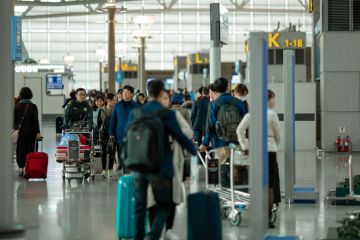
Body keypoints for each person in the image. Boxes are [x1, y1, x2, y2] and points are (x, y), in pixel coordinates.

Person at [129, 80, 197, 240]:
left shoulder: (136, 112)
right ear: (161, 94)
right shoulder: (167, 113)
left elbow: (128, 135)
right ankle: (152, 236)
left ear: (148, 93)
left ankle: (139, 237)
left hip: (138, 165)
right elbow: (180, 135)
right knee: (164, 204)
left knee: (140, 206)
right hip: (161, 166)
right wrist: (193, 150)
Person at [236, 89, 281, 229]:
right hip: (270, 151)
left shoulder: (250, 115)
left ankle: (255, 215)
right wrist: (275, 144)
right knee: (270, 185)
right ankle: (267, 219)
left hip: (255, 151)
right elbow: (278, 134)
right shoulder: (272, 114)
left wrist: (245, 145)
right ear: (266, 100)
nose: (274, 101)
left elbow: (239, 130)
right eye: (272, 98)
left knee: (256, 182)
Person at [199, 77, 247, 163]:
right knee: (237, 171)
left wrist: (204, 144)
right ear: (228, 87)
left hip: (219, 143)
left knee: (222, 170)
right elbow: (246, 123)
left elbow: (210, 126)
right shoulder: (238, 103)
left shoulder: (213, 105)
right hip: (237, 143)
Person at [14, 87, 42, 177]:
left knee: (20, 150)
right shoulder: (33, 106)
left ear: (21, 95)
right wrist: (38, 132)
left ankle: (21, 168)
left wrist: (15, 130)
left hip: (20, 133)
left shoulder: (16, 106)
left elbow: (14, 121)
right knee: (30, 150)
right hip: (31, 133)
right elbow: (35, 121)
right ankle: (28, 168)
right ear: (30, 95)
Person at [109, 85, 138, 172]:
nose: (124, 94)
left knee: (130, 156)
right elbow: (113, 120)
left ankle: (128, 174)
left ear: (132, 94)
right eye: (123, 92)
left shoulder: (136, 106)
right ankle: (125, 172)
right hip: (120, 135)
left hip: (132, 135)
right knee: (121, 156)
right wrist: (111, 133)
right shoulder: (117, 105)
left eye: (127, 92)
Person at [97, 93, 117, 178]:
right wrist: (99, 132)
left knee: (112, 151)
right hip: (103, 133)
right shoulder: (102, 110)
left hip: (113, 133)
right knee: (103, 152)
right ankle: (104, 170)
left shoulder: (116, 110)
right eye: (113, 100)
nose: (115, 101)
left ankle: (110, 170)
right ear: (108, 100)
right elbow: (99, 123)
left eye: (115, 100)